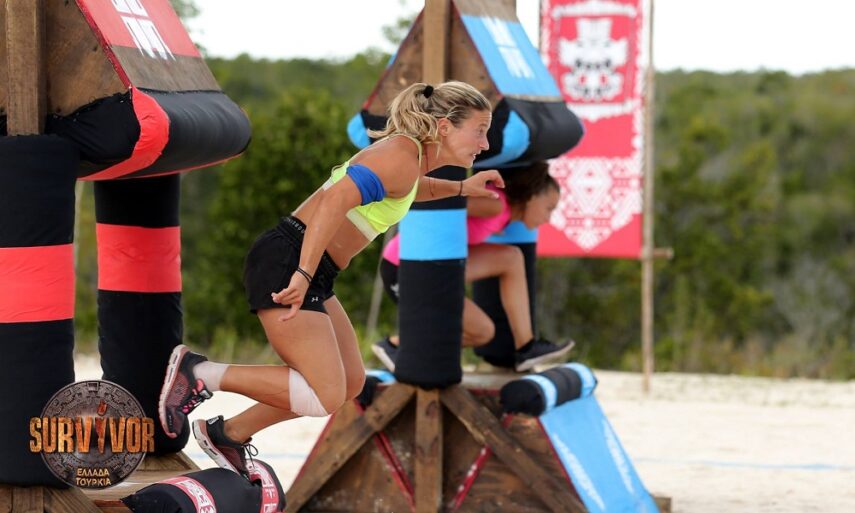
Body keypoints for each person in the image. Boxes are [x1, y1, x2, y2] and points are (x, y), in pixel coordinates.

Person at [157, 81, 503, 477]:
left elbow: (407, 190)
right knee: (324, 395)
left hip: (314, 267)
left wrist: (462, 187)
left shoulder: (410, 160)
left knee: (350, 383)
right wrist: (303, 272)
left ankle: (228, 434)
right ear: (444, 127)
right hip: (290, 259)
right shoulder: (401, 155)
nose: (485, 143)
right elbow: (334, 200)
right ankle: (199, 374)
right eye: (480, 130)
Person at [372, 161, 573, 373]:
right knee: (483, 332)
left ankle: (526, 347)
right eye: (549, 208)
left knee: (512, 258)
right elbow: (441, 201)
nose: (548, 218)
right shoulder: (495, 204)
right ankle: (395, 344)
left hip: (434, 267)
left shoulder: (502, 213)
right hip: (403, 267)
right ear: (531, 196)